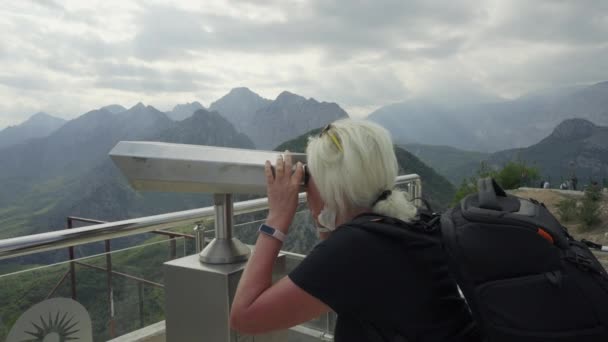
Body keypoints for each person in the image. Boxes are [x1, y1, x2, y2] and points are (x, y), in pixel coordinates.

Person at [230, 119, 479, 341]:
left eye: (311, 179)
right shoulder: (412, 222)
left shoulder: (356, 248)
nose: (308, 189)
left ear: (333, 186)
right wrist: (328, 216)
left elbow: (245, 317)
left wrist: (276, 217)